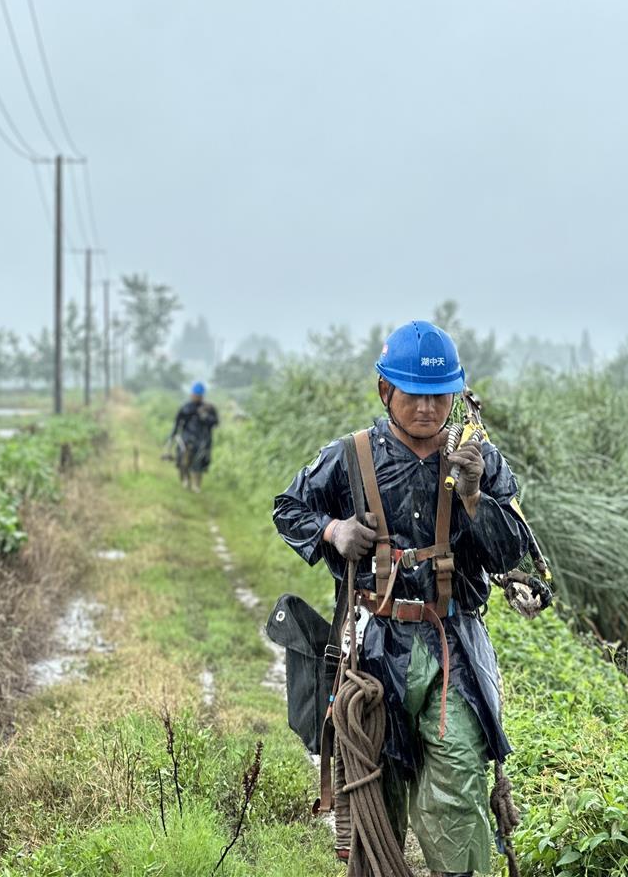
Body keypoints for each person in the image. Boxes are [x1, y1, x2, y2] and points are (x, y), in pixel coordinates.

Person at [271, 321, 533, 877]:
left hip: (452, 648)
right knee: (375, 791)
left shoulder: (480, 461)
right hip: (374, 648)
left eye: (439, 396)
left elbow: (509, 552)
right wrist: (333, 531)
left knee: (459, 784)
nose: (427, 408)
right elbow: (289, 509)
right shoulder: (349, 457)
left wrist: (473, 496)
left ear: (455, 397)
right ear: (386, 392)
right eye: (414, 395)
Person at [169, 381, 219, 491]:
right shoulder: (186, 408)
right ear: (191, 395)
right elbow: (177, 423)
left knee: (199, 462)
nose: (196, 397)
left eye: (198, 396)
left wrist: (205, 417)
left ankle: (196, 484)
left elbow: (215, 423)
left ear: (202, 396)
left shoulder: (208, 409)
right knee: (184, 459)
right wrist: (172, 436)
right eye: (195, 395)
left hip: (202, 439)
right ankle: (185, 480)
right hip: (187, 438)